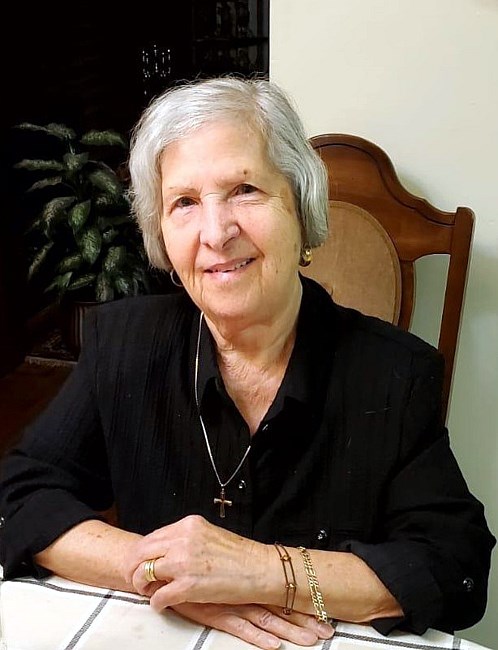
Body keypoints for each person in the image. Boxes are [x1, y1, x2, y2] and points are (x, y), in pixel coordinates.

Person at [0, 76, 495, 650]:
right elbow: (19, 495)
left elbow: (453, 569)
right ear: (162, 235)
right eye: (184, 202)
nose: (216, 233)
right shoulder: (123, 344)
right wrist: (162, 570)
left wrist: (264, 572)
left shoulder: (395, 374)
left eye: (244, 190)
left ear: (301, 208)